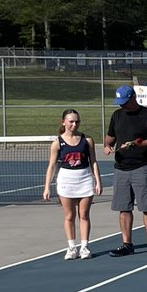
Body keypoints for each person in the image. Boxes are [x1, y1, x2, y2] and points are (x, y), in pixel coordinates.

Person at [105, 85, 147, 257]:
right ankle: (126, 244)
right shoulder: (117, 115)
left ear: (133, 98)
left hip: (143, 167)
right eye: (120, 103)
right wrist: (108, 146)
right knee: (123, 208)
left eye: (125, 102)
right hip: (121, 168)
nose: (122, 106)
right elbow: (109, 138)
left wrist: (139, 144)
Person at [43, 109, 103, 260]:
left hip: (84, 179)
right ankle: (71, 247)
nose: (74, 124)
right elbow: (52, 165)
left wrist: (98, 181)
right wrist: (47, 187)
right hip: (66, 180)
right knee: (69, 215)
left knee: (84, 215)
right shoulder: (57, 143)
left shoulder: (87, 140)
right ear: (63, 122)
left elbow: (93, 161)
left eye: (77, 121)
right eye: (71, 121)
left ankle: (84, 247)